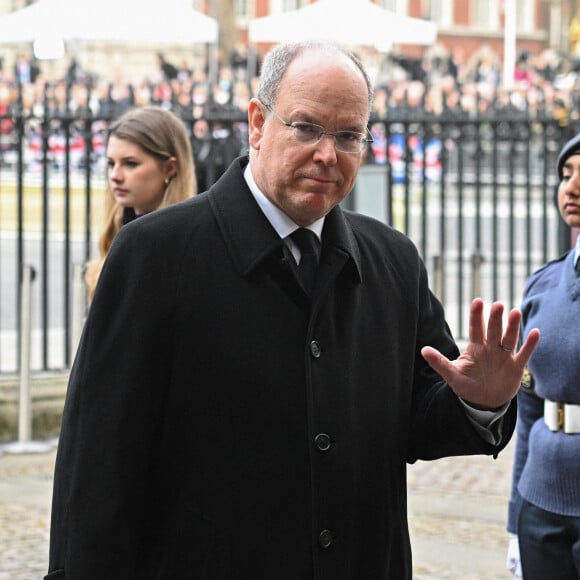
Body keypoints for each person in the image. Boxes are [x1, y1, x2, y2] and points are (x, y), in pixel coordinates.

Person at [45, 41, 539, 580]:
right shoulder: (155, 254)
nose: (328, 153)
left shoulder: (392, 260)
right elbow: (97, 467)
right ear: (257, 123)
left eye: (349, 135)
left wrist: (479, 401)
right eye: (306, 128)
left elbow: (419, 421)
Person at [506, 133, 580, 579]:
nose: (571, 187)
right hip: (542, 503)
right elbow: (529, 408)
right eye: (566, 175)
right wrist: (516, 521)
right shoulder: (542, 286)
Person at [84, 105, 196, 301]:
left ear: (170, 168)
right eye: (111, 163)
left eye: (130, 163)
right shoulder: (119, 229)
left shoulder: (185, 246)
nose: (115, 176)